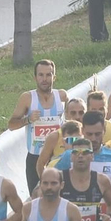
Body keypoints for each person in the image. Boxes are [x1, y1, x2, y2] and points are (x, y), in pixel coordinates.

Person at [7, 59, 67, 192]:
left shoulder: (62, 96)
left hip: (57, 156)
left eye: (48, 75)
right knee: (37, 199)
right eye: (41, 75)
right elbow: (11, 125)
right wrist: (27, 120)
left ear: (54, 77)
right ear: (35, 77)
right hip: (35, 157)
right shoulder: (27, 98)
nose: (44, 79)